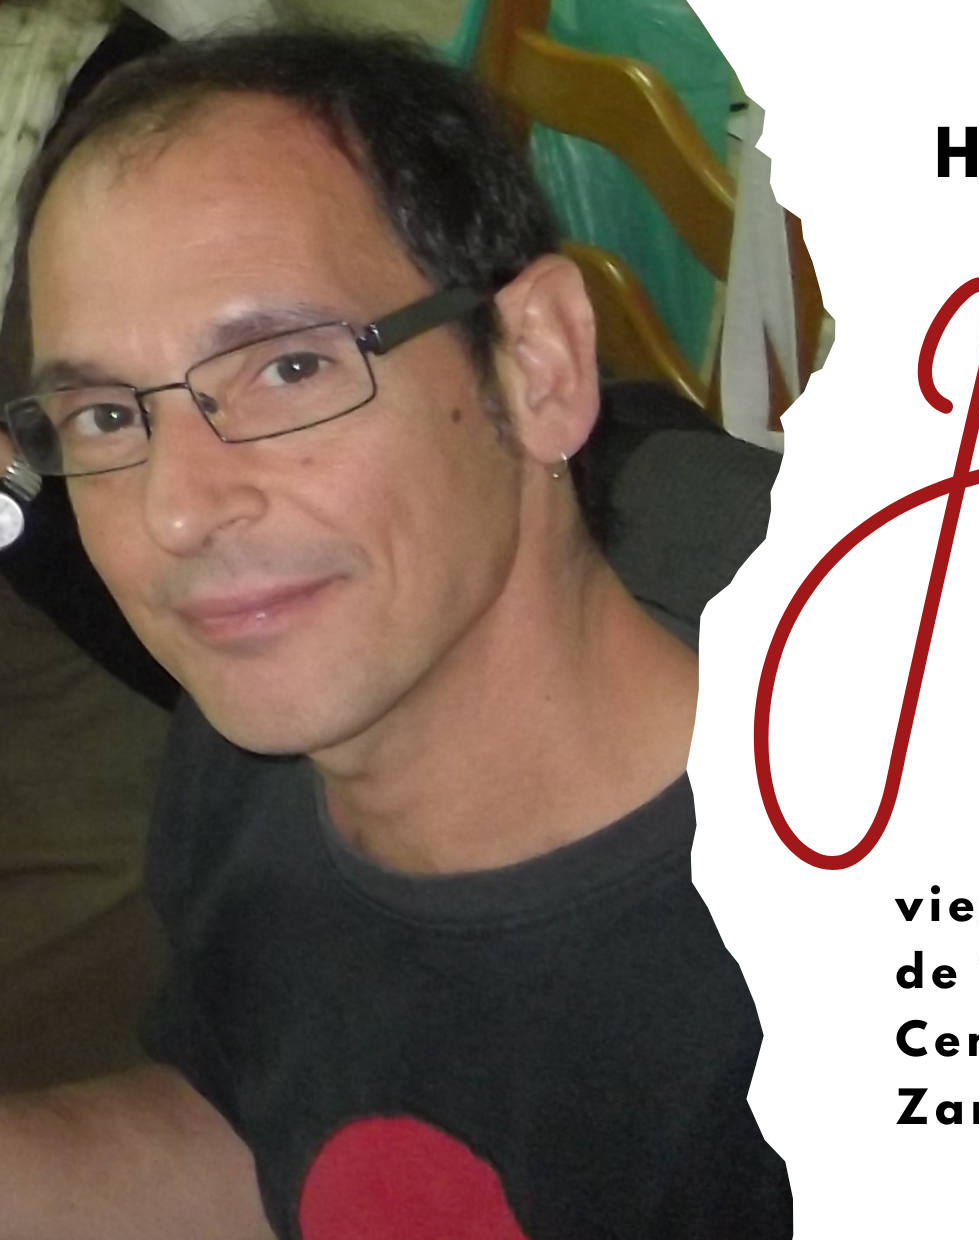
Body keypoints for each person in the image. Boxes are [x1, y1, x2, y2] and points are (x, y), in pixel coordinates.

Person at [0, 27, 789, 1240]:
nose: (176, 512)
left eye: (289, 368)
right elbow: (284, 1134)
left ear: (536, 365)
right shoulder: (263, 737)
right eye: (107, 415)